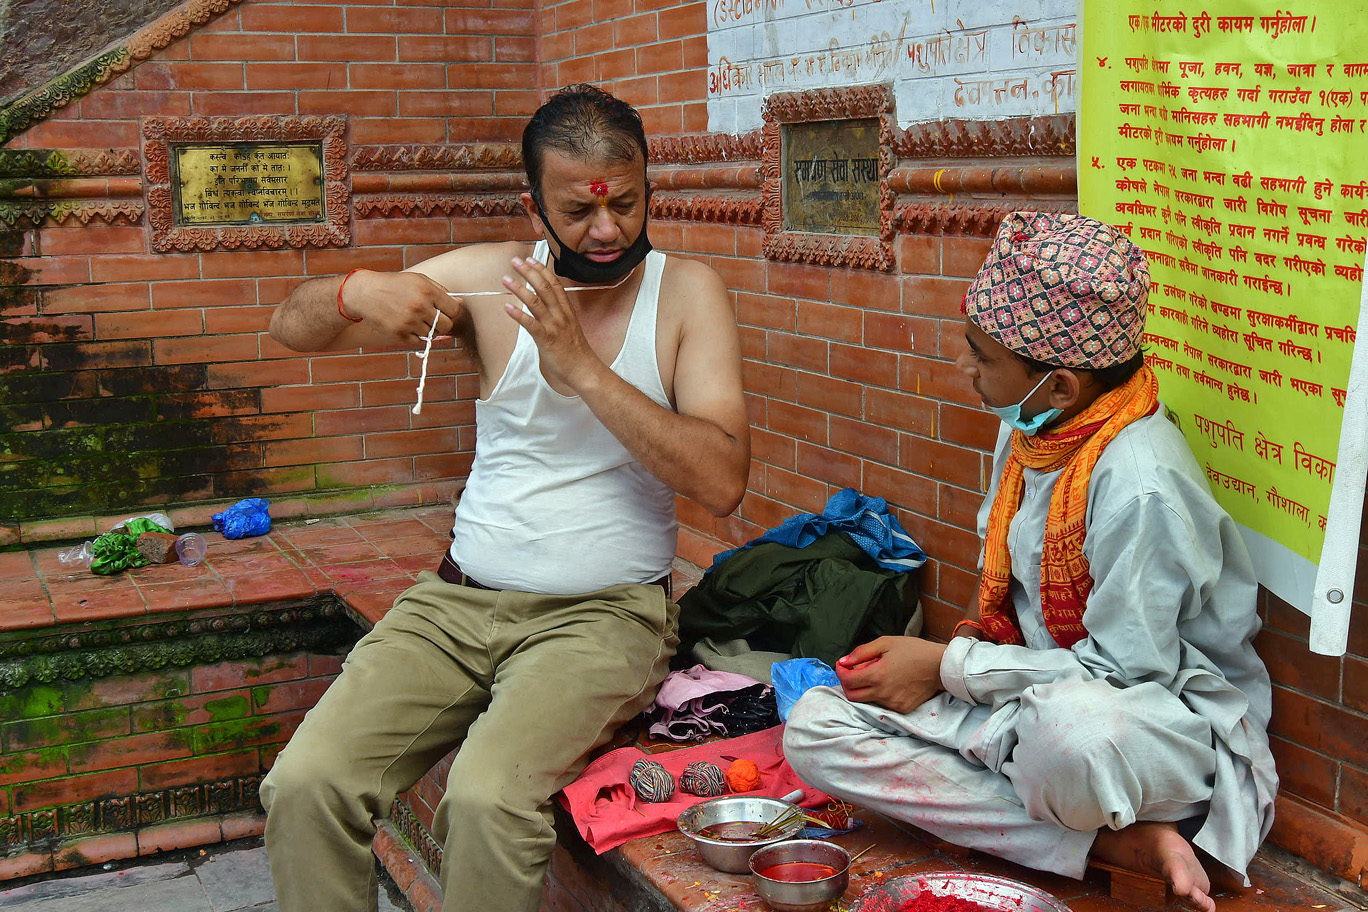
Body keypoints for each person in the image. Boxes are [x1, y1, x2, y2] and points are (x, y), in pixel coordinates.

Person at [260, 84, 750, 912]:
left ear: (646, 188)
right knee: (306, 785)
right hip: (453, 606)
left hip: (601, 617)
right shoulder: (488, 280)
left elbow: (723, 480)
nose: (607, 230)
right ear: (535, 207)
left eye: (626, 205)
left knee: (487, 800)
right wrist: (355, 291)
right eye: (580, 211)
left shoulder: (685, 294)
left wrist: (583, 371)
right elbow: (290, 325)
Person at [783, 211, 1276, 912]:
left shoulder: (1141, 484)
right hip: (1024, 702)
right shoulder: (1032, 436)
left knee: (1068, 743)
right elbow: (1016, 619)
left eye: (982, 357)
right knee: (814, 728)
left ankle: (1087, 811)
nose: (965, 367)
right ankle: (1114, 845)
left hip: (1149, 725)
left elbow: (1125, 674)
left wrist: (947, 670)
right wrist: (960, 663)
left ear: (1062, 387)